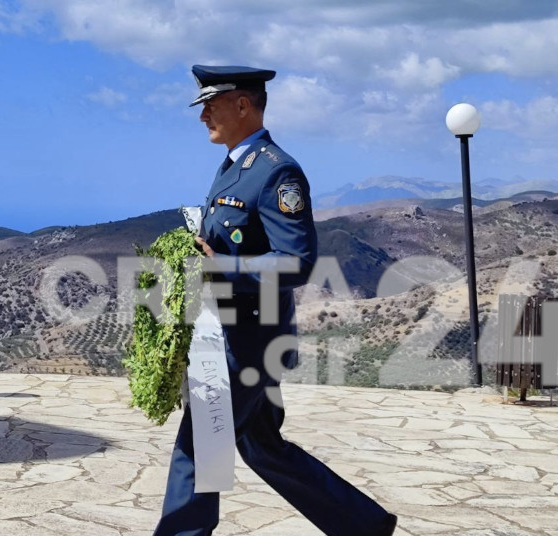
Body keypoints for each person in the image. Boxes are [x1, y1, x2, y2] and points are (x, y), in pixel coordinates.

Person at [152, 65, 398, 536]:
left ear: (243, 105)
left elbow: (296, 261)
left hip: (247, 340)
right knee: (260, 443)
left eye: (211, 105)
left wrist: (221, 267)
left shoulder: (276, 171)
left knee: (200, 446)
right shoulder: (234, 166)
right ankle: (364, 525)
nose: (203, 116)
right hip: (233, 333)